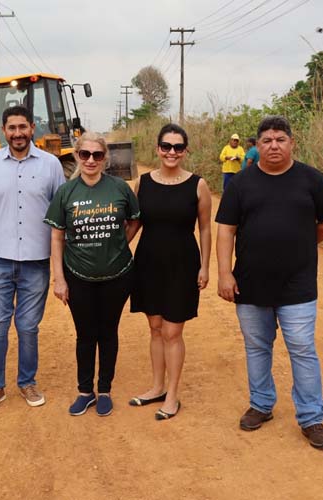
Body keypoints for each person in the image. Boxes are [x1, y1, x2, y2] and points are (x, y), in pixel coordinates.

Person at [216, 115, 323, 450]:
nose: (274, 145)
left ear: (291, 143)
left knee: (302, 348)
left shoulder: (312, 180)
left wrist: (300, 243)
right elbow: (225, 229)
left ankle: (312, 417)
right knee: (257, 346)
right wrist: (224, 273)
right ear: (257, 145)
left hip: (298, 285)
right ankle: (261, 404)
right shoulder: (241, 183)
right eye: (267, 140)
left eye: (280, 139)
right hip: (250, 283)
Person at [0, 105, 66, 413]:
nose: (18, 133)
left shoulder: (51, 165)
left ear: (32, 128)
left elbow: (61, 214)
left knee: (27, 327)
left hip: (36, 261)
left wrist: (61, 266)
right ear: (3, 131)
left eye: (23, 127)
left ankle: (27, 381)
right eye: (12, 128)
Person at [44, 133, 140, 417]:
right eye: (84, 154)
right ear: (76, 155)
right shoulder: (66, 192)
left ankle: (105, 390)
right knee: (85, 334)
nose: (90, 160)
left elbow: (134, 220)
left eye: (97, 155)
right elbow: (57, 236)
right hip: (78, 276)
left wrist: (120, 244)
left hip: (117, 275)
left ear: (105, 158)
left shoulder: (119, 188)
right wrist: (59, 278)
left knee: (108, 332)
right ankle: (85, 391)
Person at [129, 123, 212, 420]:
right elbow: (135, 223)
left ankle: (173, 395)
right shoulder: (143, 183)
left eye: (178, 147)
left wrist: (205, 266)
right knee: (154, 328)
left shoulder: (198, 185)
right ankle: (156, 387)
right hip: (149, 262)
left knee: (172, 331)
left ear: (186, 151)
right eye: (166, 146)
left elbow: (204, 227)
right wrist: (110, 251)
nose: (172, 152)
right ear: (157, 149)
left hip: (182, 264)